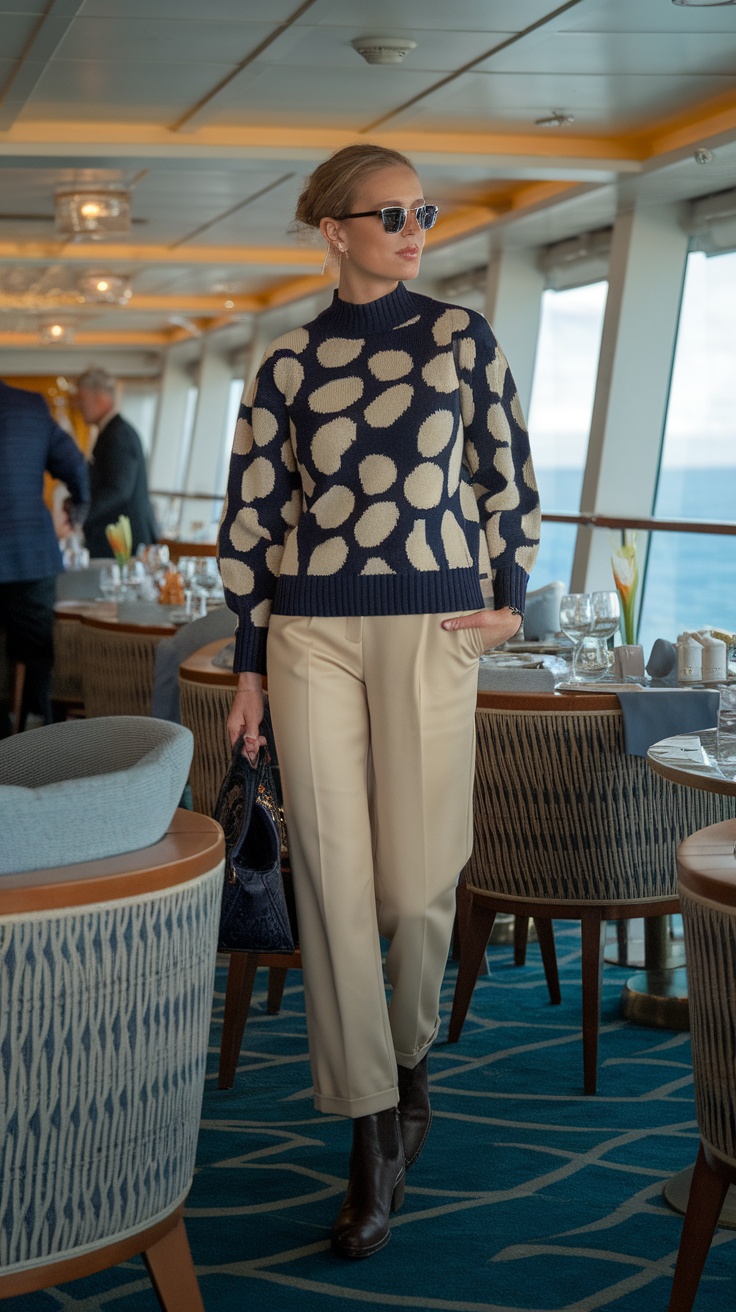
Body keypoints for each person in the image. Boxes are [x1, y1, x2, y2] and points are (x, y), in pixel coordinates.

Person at [217, 143, 540, 1260]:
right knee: (335, 896)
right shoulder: (286, 366)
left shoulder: (459, 338)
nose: (414, 227)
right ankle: (369, 1136)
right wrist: (250, 666)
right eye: (390, 212)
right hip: (311, 634)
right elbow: (253, 523)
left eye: (422, 210)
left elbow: (505, 473)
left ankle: (406, 1067)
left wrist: (512, 599)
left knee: (411, 889)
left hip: (432, 629)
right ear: (333, 229)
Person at [0, 379, 89, 736]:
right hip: (28, 556)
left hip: (28, 556)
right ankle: (37, 738)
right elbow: (74, 464)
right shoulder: (30, 407)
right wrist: (77, 508)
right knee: (38, 655)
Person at [75, 367, 158, 557]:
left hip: (122, 542)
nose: (79, 406)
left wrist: (81, 517)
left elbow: (118, 490)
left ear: (102, 398)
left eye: (82, 400)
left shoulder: (118, 435)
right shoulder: (112, 432)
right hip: (117, 540)